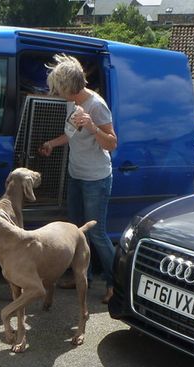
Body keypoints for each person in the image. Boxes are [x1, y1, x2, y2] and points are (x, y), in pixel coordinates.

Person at [39, 54, 117, 304]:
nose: (57, 93)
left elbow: (112, 143)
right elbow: (71, 134)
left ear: (70, 87)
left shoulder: (97, 105)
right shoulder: (71, 103)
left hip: (96, 178)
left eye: (59, 88)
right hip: (76, 174)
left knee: (97, 233)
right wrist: (52, 143)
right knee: (75, 230)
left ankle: (116, 284)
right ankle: (84, 277)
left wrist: (94, 127)